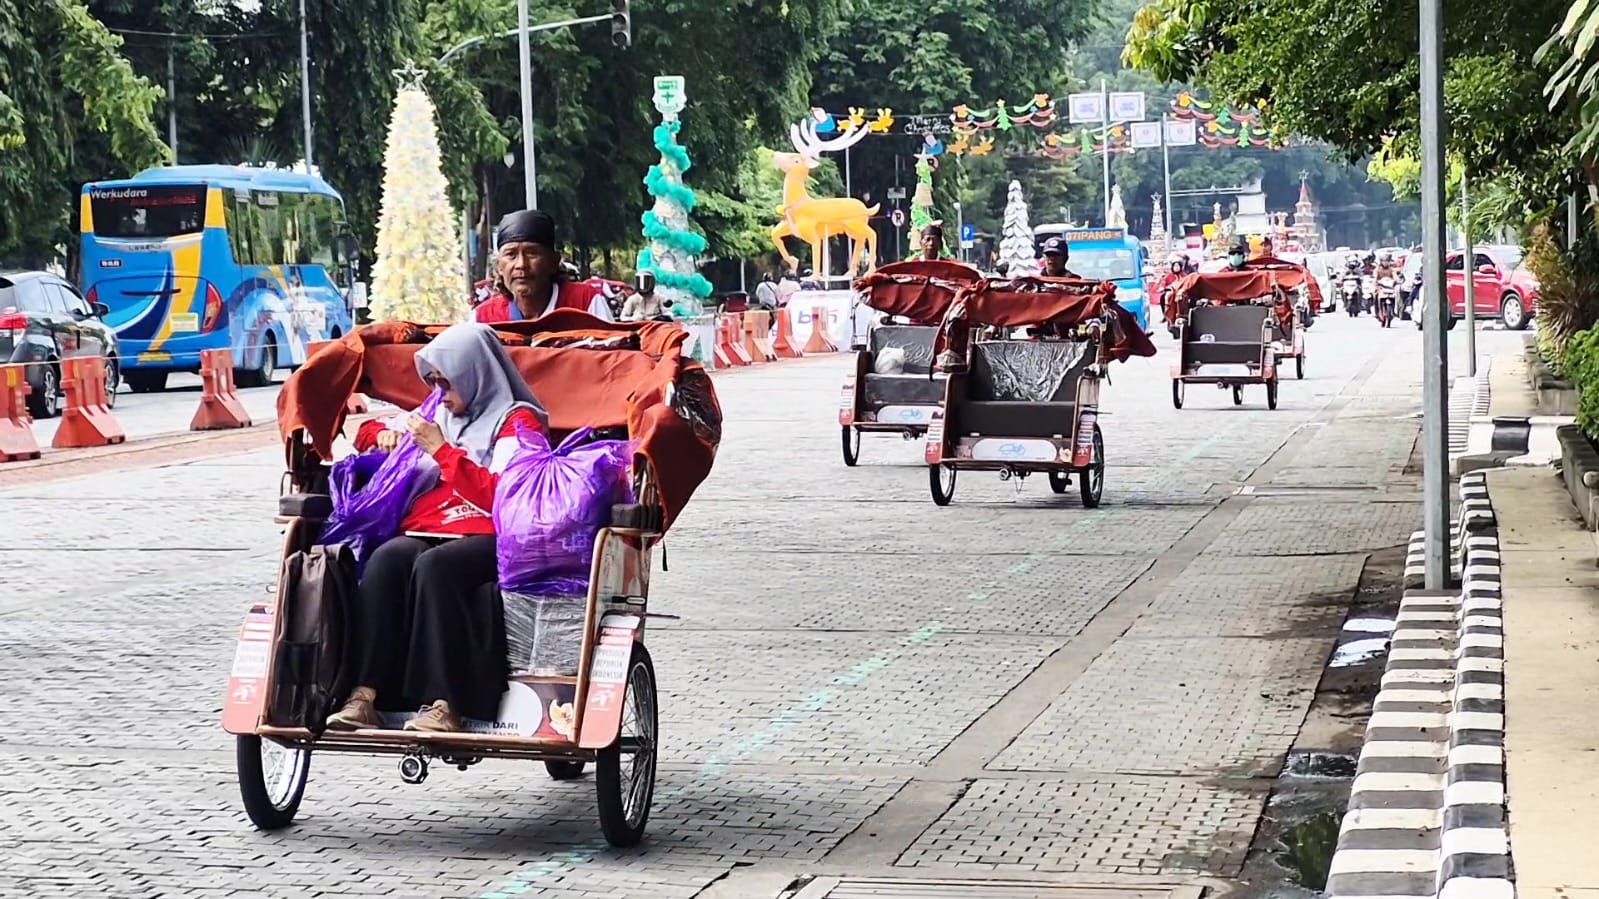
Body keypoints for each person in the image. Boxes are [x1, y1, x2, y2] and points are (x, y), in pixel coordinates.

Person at [327, 322, 548, 734]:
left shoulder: (519, 422)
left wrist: (443, 452)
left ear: (474, 375)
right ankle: (365, 694)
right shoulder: (438, 413)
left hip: (493, 535)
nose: (439, 394)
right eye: (433, 383)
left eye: (446, 384)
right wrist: (385, 434)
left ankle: (447, 702)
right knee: (389, 558)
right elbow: (368, 431)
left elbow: (505, 498)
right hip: (431, 527)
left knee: (437, 568)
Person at [473, 210, 614, 323]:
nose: (521, 265)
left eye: (532, 253)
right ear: (499, 266)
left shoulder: (585, 303)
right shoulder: (483, 319)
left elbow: (612, 355)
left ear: (553, 261)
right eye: (511, 255)